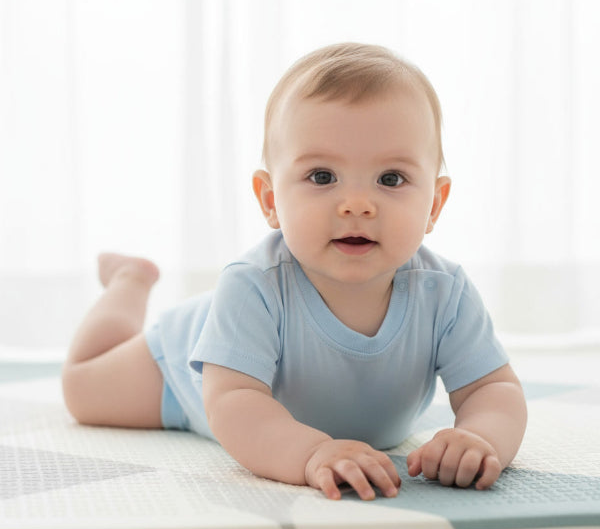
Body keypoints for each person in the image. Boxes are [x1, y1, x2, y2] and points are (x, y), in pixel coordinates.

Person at [62, 43, 527, 501]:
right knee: (82, 390)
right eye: (322, 177)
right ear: (270, 200)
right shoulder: (253, 285)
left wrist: (482, 438)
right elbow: (233, 403)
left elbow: (493, 388)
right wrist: (311, 453)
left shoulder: (445, 293)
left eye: (391, 179)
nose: (357, 205)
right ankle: (131, 281)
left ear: (435, 204)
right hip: (180, 369)